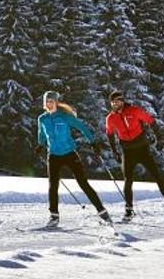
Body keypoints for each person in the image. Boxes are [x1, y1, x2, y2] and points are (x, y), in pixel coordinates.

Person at [103, 89, 164, 219]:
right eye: (112, 102)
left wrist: (160, 139)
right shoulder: (110, 118)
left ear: (122, 101)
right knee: (128, 180)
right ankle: (129, 210)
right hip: (127, 151)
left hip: (142, 149)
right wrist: (114, 151)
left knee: (157, 177)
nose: (115, 104)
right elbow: (109, 134)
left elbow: (151, 122)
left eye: (117, 101)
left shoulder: (134, 111)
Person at [36, 91, 110, 223]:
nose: (49, 103)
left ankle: (101, 210)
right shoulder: (42, 119)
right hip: (53, 155)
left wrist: (93, 142)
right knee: (53, 186)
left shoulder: (64, 117)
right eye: (47, 101)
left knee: (83, 183)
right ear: (44, 103)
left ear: (56, 102)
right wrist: (40, 145)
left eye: (52, 101)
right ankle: (54, 215)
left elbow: (82, 128)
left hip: (69, 153)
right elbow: (42, 135)